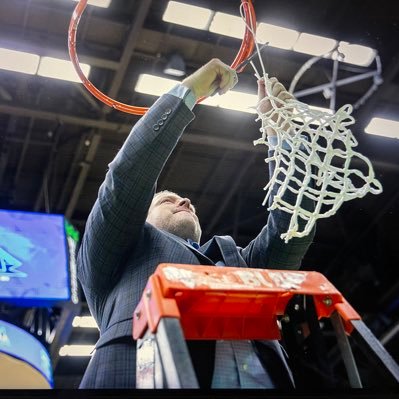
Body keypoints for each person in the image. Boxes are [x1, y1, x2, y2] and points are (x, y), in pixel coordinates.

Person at [77, 58, 315, 388]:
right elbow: (127, 179)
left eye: (185, 201)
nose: (185, 201)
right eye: (166, 200)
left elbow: (294, 227)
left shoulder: (239, 263)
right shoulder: (116, 252)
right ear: (140, 217)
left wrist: (283, 140)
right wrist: (189, 91)